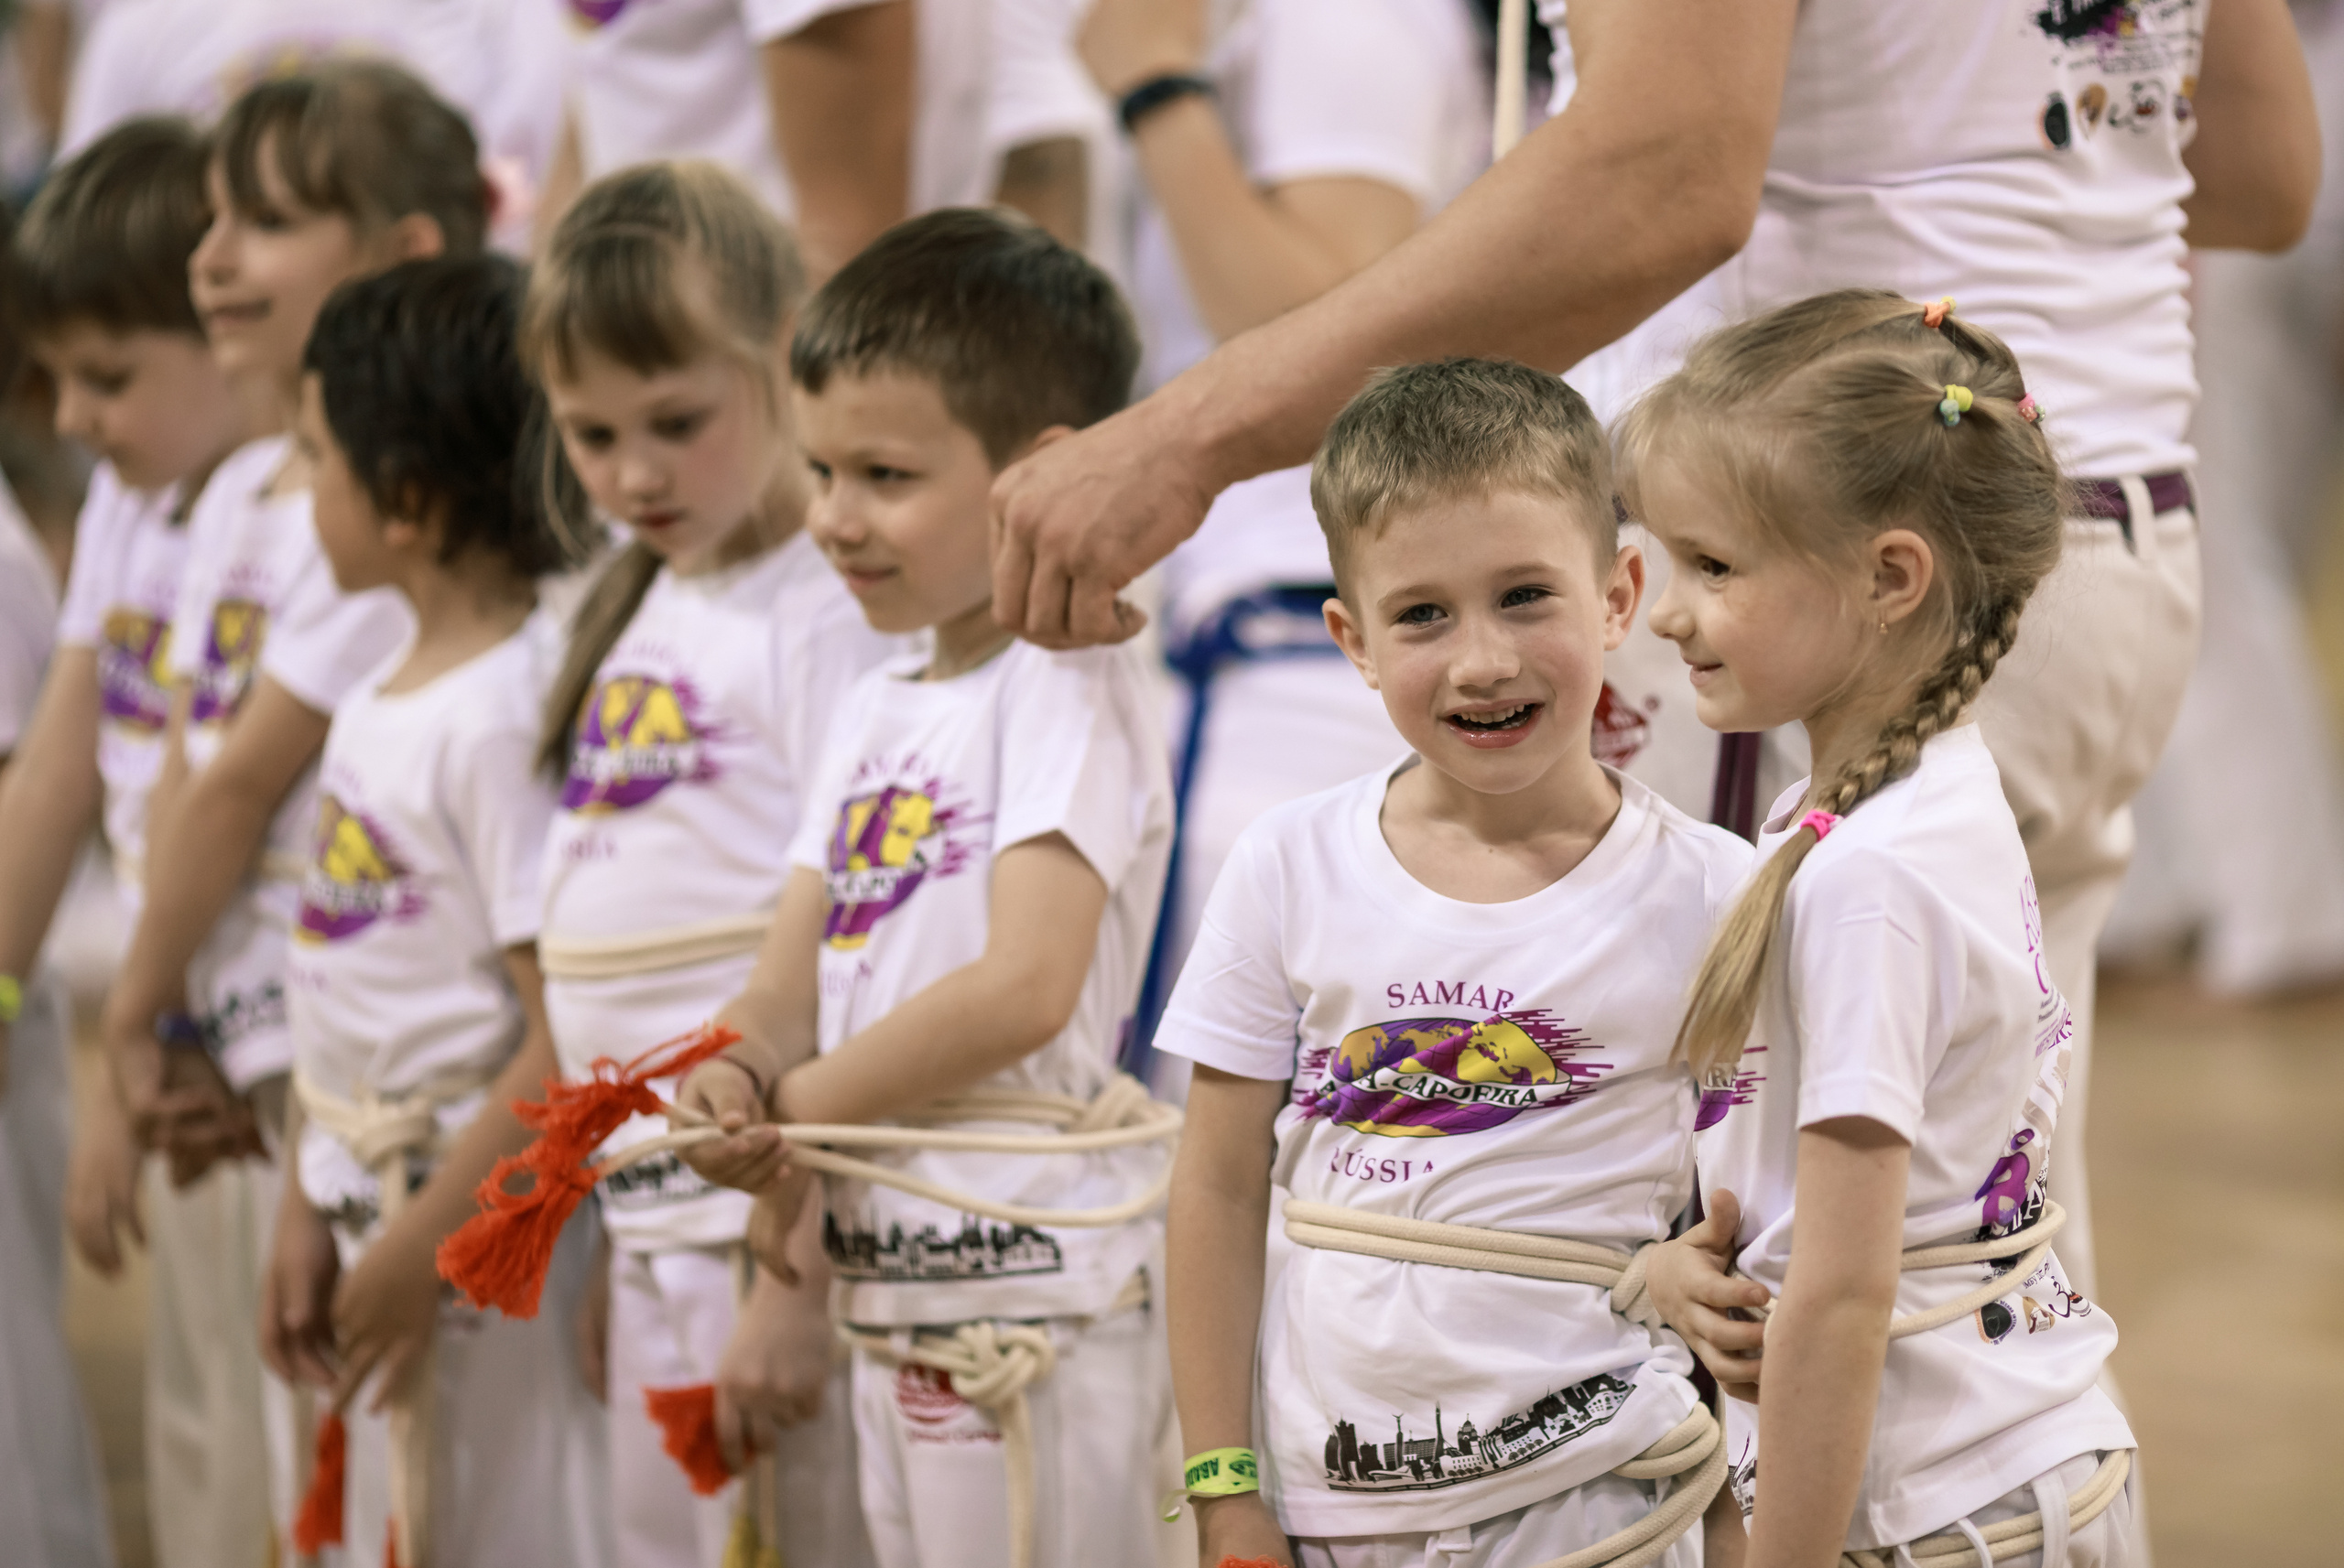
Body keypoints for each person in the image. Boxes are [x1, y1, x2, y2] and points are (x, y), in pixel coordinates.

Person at [991, 0, 2323, 1309]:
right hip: (2085, 525)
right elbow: (2261, 164)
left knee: (1771, 1270)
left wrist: (1189, 437)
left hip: (1816, 554)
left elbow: (1670, 172)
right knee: (1987, 1242)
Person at [1155, 359, 1748, 1568]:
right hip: (1337, 1505)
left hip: (1607, 1503)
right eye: (1422, 614)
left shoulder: (1716, 893)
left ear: (1620, 594)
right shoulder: (1285, 864)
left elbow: (1761, 1226)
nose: (1483, 661)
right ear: (1352, 641)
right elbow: (1215, 1186)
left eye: (1526, 595)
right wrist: (1223, 1486)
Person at [675, 207, 1175, 1568]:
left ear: (1044, 473)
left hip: (1027, 1292)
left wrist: (797, 1113)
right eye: (822, 466)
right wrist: (734, 1072)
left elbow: (1025, 986)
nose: (834, 517)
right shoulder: (873, 701)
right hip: (892, 1275)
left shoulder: (1064, 675)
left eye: (886, 474)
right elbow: (788, 982)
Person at [1634, 292, 2137, 1566]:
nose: (1664, 612)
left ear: (1889, 578)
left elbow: (1849, 1297)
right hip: (1996, 1461)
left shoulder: (1874, 878)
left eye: (1714, 566)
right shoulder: (1904, 802)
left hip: (1947, 1511)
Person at [90, 61, 485, 1559]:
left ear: (402, 258)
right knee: (255, 1457)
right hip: (258, 1051)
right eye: (211, 216)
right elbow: (193, 771)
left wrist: (134, 1012)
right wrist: (170, 1013)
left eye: (263, 219)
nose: (208, 258)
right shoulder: (256, 482)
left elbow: (250, 777)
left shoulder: (375, 501)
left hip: (383, 1077)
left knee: (392, 1480)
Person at [524, 160, 892, 1568]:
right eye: (591, 433)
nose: (630, 474)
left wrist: (785, 1275)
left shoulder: (821, 612)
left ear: (783, 356)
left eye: (676, 422)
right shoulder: (648, 599)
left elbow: (842, 968)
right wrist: (630, 1226)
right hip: (660, 1218)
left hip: (773, 1231)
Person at [259, 254, 610, 1568]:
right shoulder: (378, 694)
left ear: (404, 499)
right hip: (370, 1202)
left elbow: (561, 1032)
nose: (299, 492)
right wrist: (307, 1197)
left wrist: (428, 1244)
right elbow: (335, 987)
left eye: (313, 459)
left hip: (480, 1237)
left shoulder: (508, 708)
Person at [1072, 0, 1485, 1073]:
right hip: (1268, 650)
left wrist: (1157, 93)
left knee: (1275, 1173)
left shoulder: (1339, 20)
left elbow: (1338, 339)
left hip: (1309, 668)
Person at [0, 117, 255, 1568]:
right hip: (181, 1049)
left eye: (109, 377)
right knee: (209, 1460)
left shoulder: (296, 510)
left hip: (269, 1053)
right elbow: (56, 761)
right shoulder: (125, 499)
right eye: (58, 378)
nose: (74, 416)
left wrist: (154, 1025)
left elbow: (231, 806)